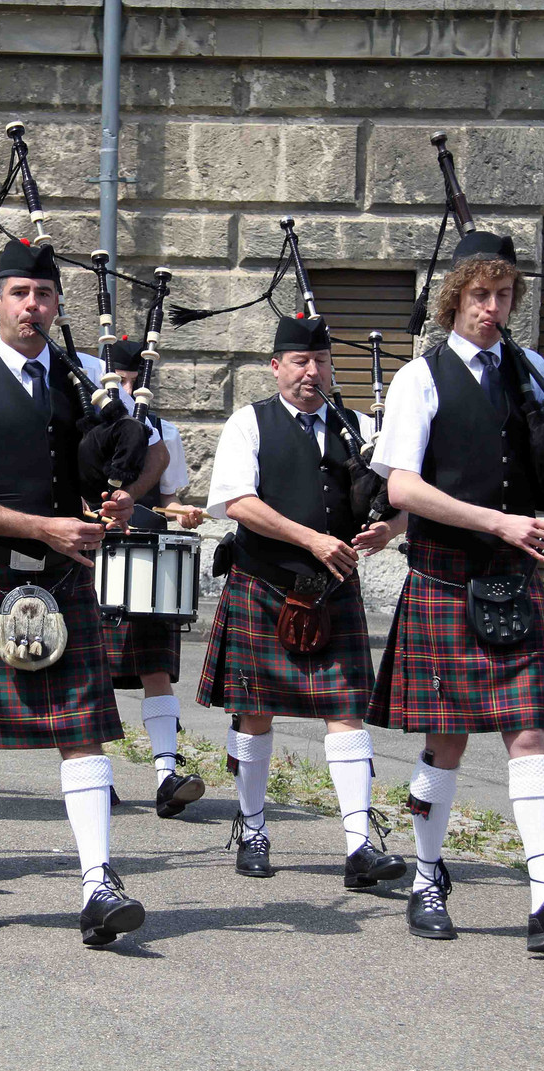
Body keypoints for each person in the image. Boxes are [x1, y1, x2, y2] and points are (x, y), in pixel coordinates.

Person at [0, 238, 164, 947]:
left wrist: (112, 504)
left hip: (63, 581)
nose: (32, 306)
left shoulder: (82, 383)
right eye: (19, 293)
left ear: (56, 304)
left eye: (44, 295)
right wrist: (41, 527)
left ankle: (97, 883)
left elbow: (109, 474)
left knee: (82, 735)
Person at [367, 228, 544, 953]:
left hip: (513, 581)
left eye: (504, 294)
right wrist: (499, 522)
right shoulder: (422, 377)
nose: (493, 307)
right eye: (480, 294)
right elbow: (404, 485)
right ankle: (427, 875)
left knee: (527, 732)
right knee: (446, 741)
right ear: (455, 297)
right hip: (447, 577)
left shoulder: (530, 368)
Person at [199, 314, 408, 888]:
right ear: (276, 367)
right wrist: (311, 538)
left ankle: (360, 845)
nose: (311, 371)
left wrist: (385, 532)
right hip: (264, 583)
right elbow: (237, 502)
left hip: (332, 592)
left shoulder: (360, 427)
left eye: (319, 361)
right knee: (255, 712)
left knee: (346, 713)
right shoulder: (250, 423)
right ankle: (253, 827)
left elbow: (400, 498)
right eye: (299, 361)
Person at [96, 338, 206, 817]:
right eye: (115, 379)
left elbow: (167, 497)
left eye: (128, 379)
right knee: (89, 674)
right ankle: (96, 776)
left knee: (155, 671)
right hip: (91, 557)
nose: (122, 387)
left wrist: (185, 513)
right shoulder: (83, 427)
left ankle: (166, 775)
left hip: (145, 561)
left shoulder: (164, 432)